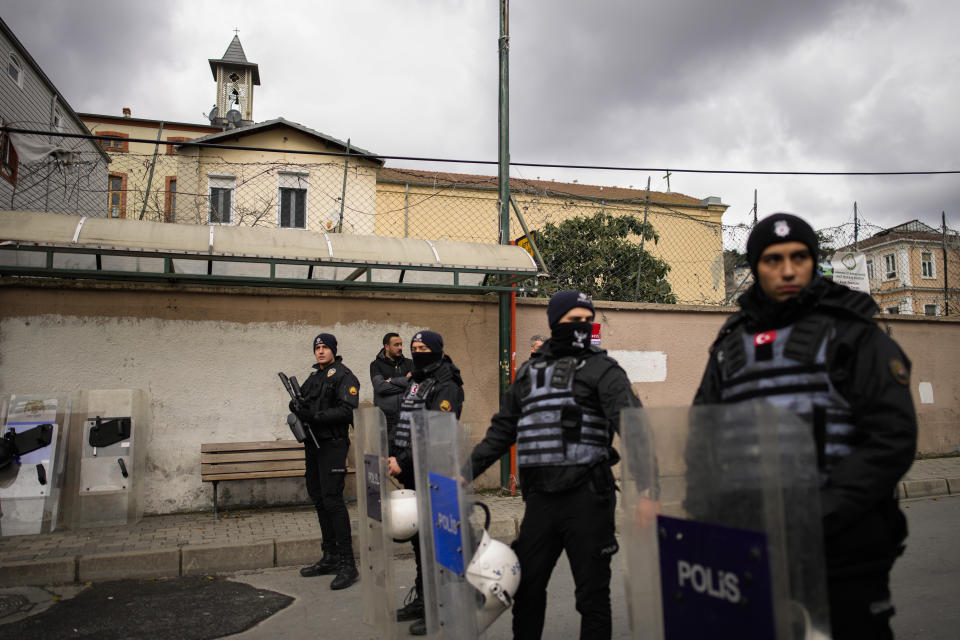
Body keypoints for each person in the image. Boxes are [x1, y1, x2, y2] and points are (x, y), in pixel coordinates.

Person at [693, 213, 917, 640]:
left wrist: (818, 513)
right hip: (754, 547)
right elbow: (704, 437)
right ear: (756, 267)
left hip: (842, 548)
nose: (788, 270)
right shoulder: (730, 343)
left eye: (799, 257)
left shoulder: (852, 332)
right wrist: (708, 522)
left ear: (814, 261)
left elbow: (891, 438)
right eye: (773, 259)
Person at [468, 290, 640, 640]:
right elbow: (502, 431)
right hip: (541, 501)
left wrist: (648, 490)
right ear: (553, 322)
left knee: (591, 596)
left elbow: (636, 428)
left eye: (586, 321)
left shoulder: (602, 369)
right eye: (573, 320)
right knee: (528, 589)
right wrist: (463, 473)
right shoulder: (529, 373)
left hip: (588, 497)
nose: (581, 327)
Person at [387, 330, 464, 636]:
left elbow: (433, 431)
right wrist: (393, 454)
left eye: (424, 348)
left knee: (435, 544)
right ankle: (424, 599)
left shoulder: (447, 385)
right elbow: (405, 421)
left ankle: (441, 607)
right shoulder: (418, 379)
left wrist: (401, 460)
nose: (418, 352)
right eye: (414, 347)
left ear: (437, 351)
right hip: (412, 471)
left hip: (435, 473)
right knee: (420, 544)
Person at [289, 333, 361, 590]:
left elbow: (347, 410)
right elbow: (304, 404)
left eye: (325, 348)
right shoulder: (313, 378)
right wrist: (297, 406)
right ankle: (330, 556)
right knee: (318, 498)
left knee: (333, 500)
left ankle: (347, 564)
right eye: (317, 348)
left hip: (332, 444)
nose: (320, 352)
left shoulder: (344, 375)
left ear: (333, 350)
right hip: (313, 445)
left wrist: (315, 416)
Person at [369, 332, 413, 433]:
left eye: (401, 344)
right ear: (386, 347)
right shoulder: (376, 365)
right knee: (386, 448)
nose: (400, 347)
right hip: (385, 419)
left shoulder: (410, 363)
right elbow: (380, 387)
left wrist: (392, 381)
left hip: (406, 417)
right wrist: (404, 384)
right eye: (396, 345)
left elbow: (414, 384)